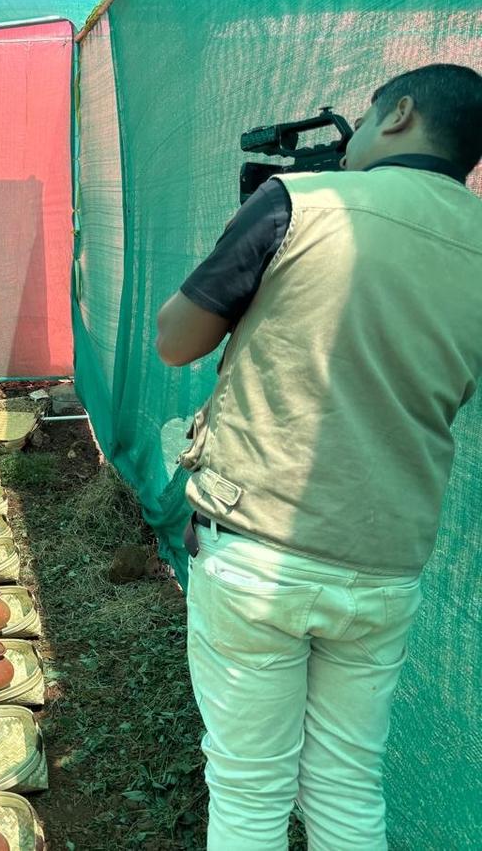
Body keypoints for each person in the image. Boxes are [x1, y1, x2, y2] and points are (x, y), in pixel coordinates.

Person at [155, 63, 482, 850]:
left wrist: (253, 247)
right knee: (345, 787)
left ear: (399, 113)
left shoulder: (300, 202)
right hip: (385, 562)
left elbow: (175, 340)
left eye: (366, 119)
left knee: (250, 789)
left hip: (260, 547)